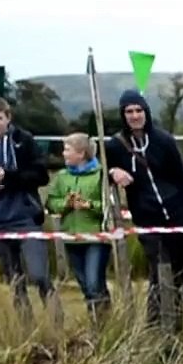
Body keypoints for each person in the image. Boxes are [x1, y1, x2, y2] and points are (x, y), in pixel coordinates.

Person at [105, 90, 183, 332]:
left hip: (179, 215)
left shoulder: (164, 140)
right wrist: (111, 173)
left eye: (138, 110)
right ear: (123, 114)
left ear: (146, 111)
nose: (135, 115)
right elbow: (99, 171)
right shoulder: (115, 146)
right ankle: (156, 326)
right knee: (159, 270)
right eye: (129, 111)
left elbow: (182, 179)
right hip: (148, 218)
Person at [0, 96, 55, 324]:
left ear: (8, 118)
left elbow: (41, 175)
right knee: (14, 280)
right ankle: (27, 330)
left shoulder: (23, 140)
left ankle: (57, 324)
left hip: (26, 216)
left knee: (39, 275)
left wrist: (8, 176)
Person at [45, 133, 110, 321]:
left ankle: (104, 320)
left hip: (95, 237)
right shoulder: (61, 177)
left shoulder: (100, 175)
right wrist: (65, 204)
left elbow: (108, 207)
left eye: (67, 149)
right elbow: (50, 203)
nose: (63, 153)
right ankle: (96, 319)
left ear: (81, 153)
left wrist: (88, 205)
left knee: (93, 282)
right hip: (71, 237)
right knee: (84, 284)